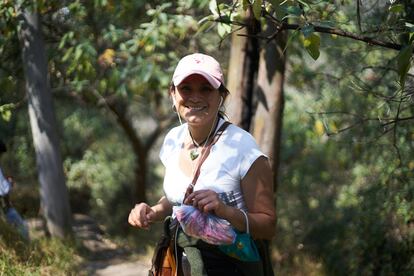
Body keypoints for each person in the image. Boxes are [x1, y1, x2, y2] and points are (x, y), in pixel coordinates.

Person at [128, 53, 276, 275]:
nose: (195, 97)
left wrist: (224, 210)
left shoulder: (243, 148)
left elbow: (268, 226)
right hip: (180, 263)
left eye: (206, 89)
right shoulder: (172, 140)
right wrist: (153, 211)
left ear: (221, 96)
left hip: (231, 268)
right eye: (186, 88)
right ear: (172, 94)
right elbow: (176, 201)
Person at [0, 140, 29, 240]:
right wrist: (9, 184)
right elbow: (3, 191)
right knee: (24, 230)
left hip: (5, 211)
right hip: (5, 210)